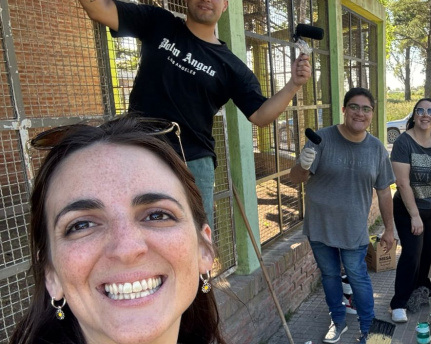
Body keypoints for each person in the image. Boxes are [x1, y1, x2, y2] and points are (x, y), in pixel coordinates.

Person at [0, 116, 378, 344]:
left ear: (204, 250)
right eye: (81, 224)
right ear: (51, 275)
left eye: (157, 215)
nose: (126, 248)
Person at [77, 0, 312, 227]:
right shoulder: (158, 22)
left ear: (225, 5)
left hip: (193, 163)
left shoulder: (232, 67)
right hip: (139, 153)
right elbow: (99, 9)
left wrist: (294, 84)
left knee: (193, 240)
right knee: (136, 230)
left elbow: (261, 116)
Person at [289, 88, 395, 344]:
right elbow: (297, 178)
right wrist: (302, 164)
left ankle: (367, 329)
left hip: (353, 229)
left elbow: (384, 191)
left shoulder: (376, 149)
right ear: (344, 109)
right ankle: (337, 321)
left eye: (366, 108)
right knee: (330, 275)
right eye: (354, 107)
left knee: (358, 277)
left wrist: (390, 229)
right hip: (320, 225)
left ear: (372, 113)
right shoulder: (321, 139)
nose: (360, 113)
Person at [389, 98, 431, 323]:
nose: (425, 115)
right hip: (409, 209)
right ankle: (398, 302)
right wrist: (415, 215)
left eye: (430, 111)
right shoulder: (403, 143)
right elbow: (402, 183)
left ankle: (423, 288)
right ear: (414, 115)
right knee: (412, 253)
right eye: (420, 111)